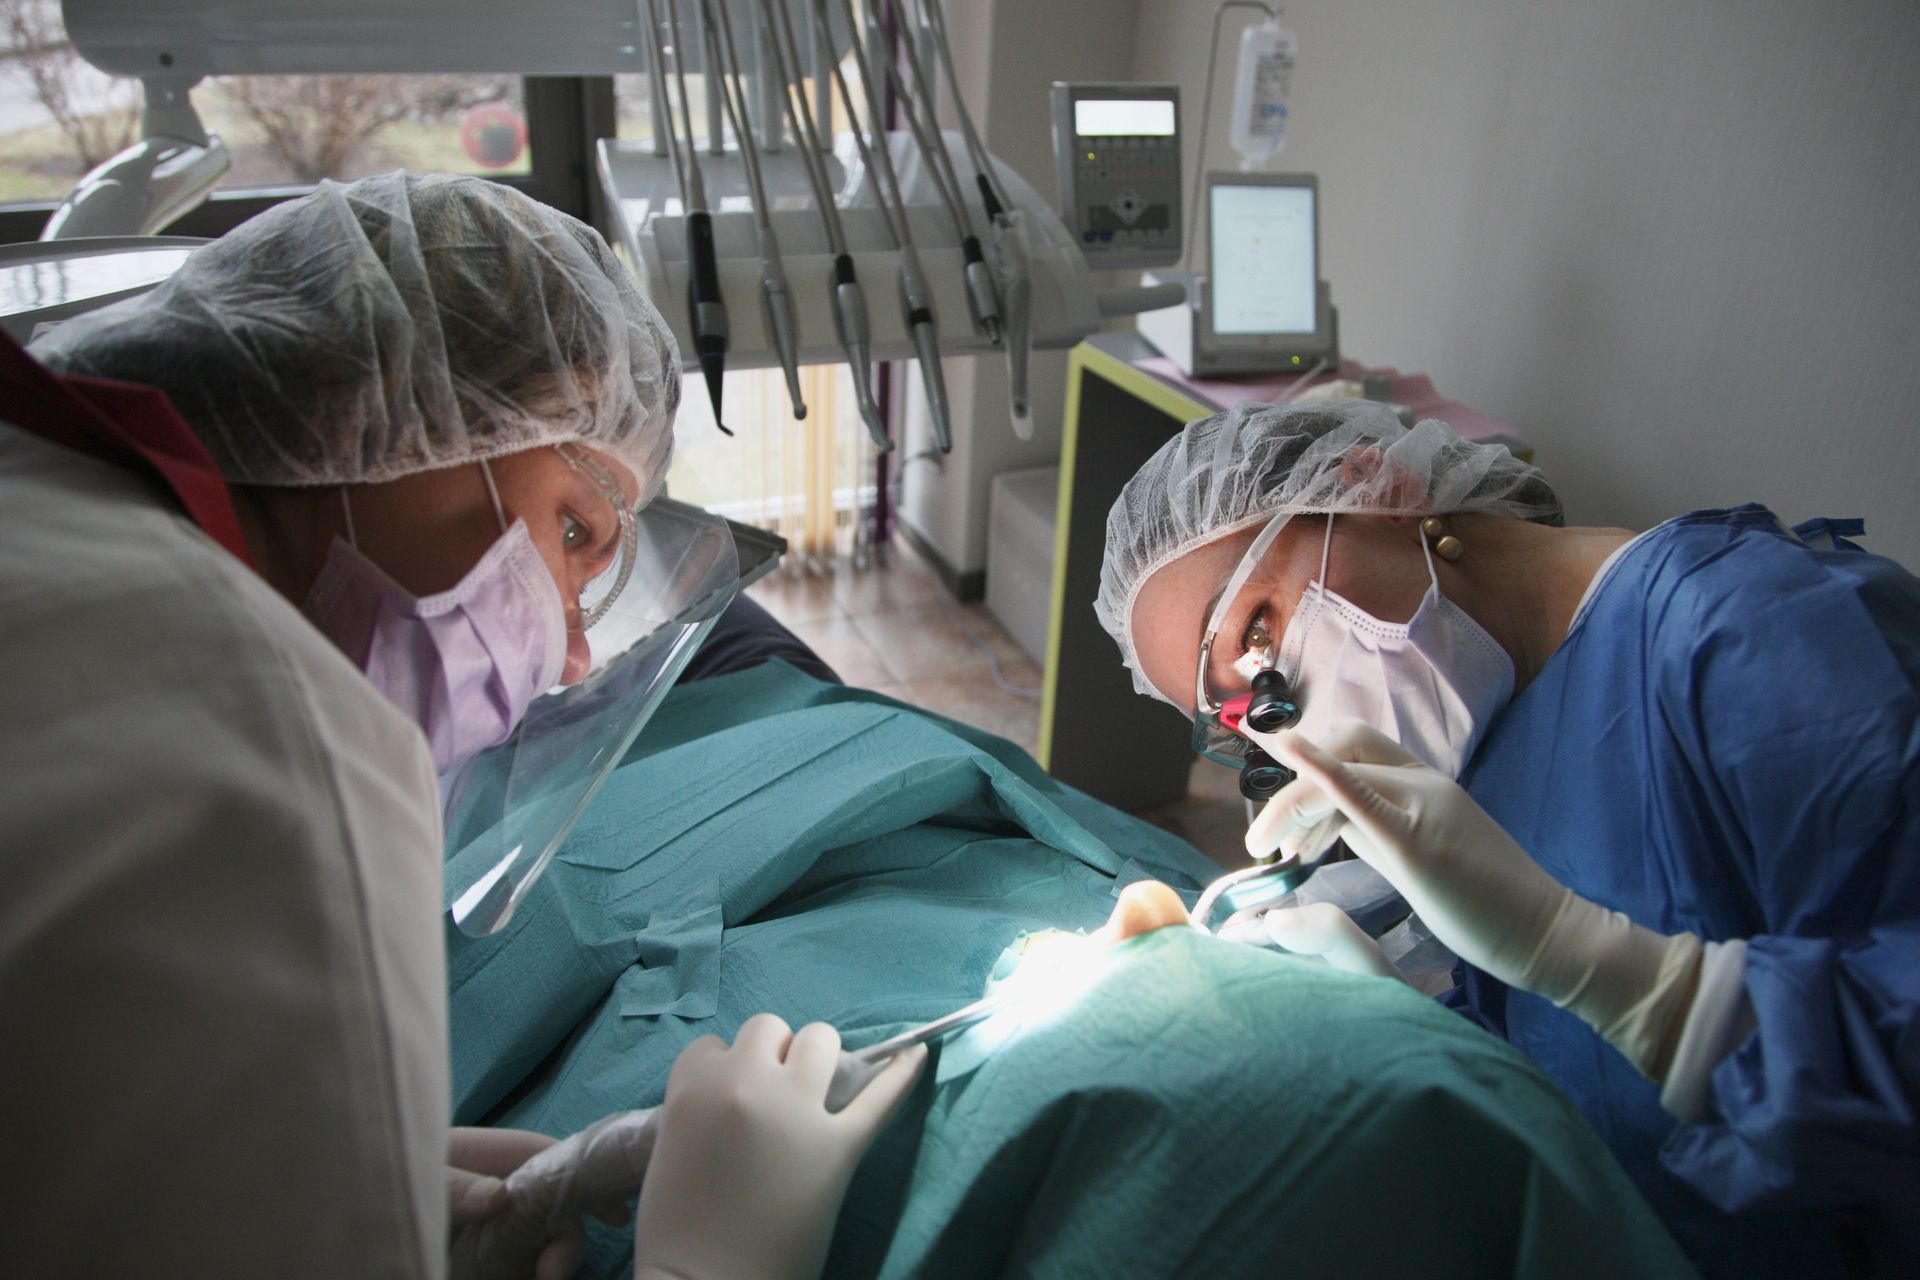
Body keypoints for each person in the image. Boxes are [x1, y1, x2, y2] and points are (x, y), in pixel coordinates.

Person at [0, 171, 918, 1280]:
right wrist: (708, 1264)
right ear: (377, 409)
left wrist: (308, 1177)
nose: (573, 657)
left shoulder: (43, 488)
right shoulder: (289, 763)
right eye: (575, 533)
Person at [1094, 399, 1920, 1277]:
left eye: (1257, 638)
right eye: (1238, 717)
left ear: (1377, 485)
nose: (1283, 719)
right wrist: (1422, 1036)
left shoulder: (1758, 628)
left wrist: (1651, 995)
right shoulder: (1485, 735)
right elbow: (1568, 1065)